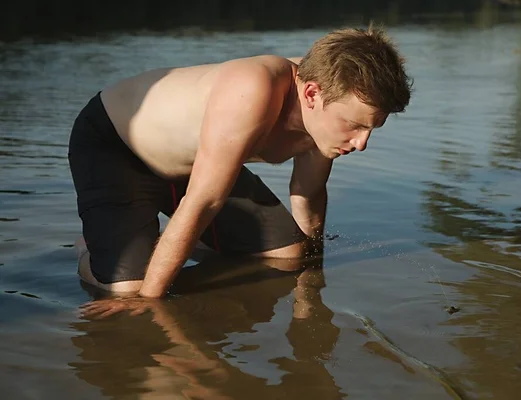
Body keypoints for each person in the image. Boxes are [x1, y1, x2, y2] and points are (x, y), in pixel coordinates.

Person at [69, 25, 412, 310]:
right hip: (117, 148)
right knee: (130, 290)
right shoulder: (254, 88)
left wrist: (311, 282)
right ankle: (91, 247)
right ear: (311, 94)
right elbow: (203, 201)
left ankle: (155, 241)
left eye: (371, 129)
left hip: (196, 166)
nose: (362, 142)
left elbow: (307, 192)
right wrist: (150, 305)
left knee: (289, 255)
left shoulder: (326, 113)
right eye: (354, 125)